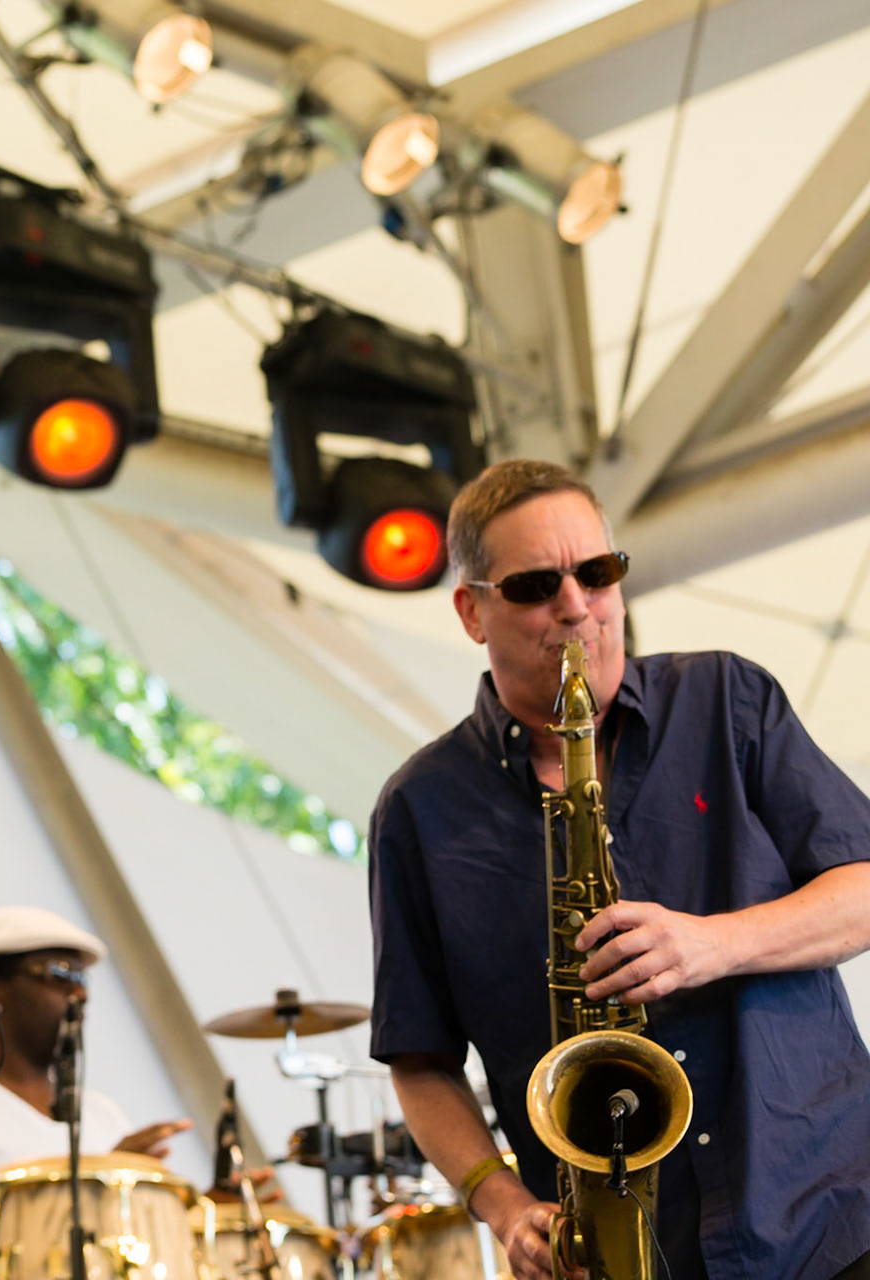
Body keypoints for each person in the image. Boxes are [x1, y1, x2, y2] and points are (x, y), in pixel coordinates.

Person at [369, 459, 870, 1280]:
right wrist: (501, 1204)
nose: (577, 606)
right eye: (535, 585)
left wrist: (713, 943)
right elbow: (420, 1061)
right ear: (472, 610)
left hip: (829, 1212)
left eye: (597, 573)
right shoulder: (419, 809)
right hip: (622, 1249)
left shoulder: (727, 698)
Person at [0, 906, 191, 1188]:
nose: (81, 994)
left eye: (83, 978)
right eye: (62, 974)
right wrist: (101, 1181)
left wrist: (216, 1213)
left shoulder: (103, 1115)